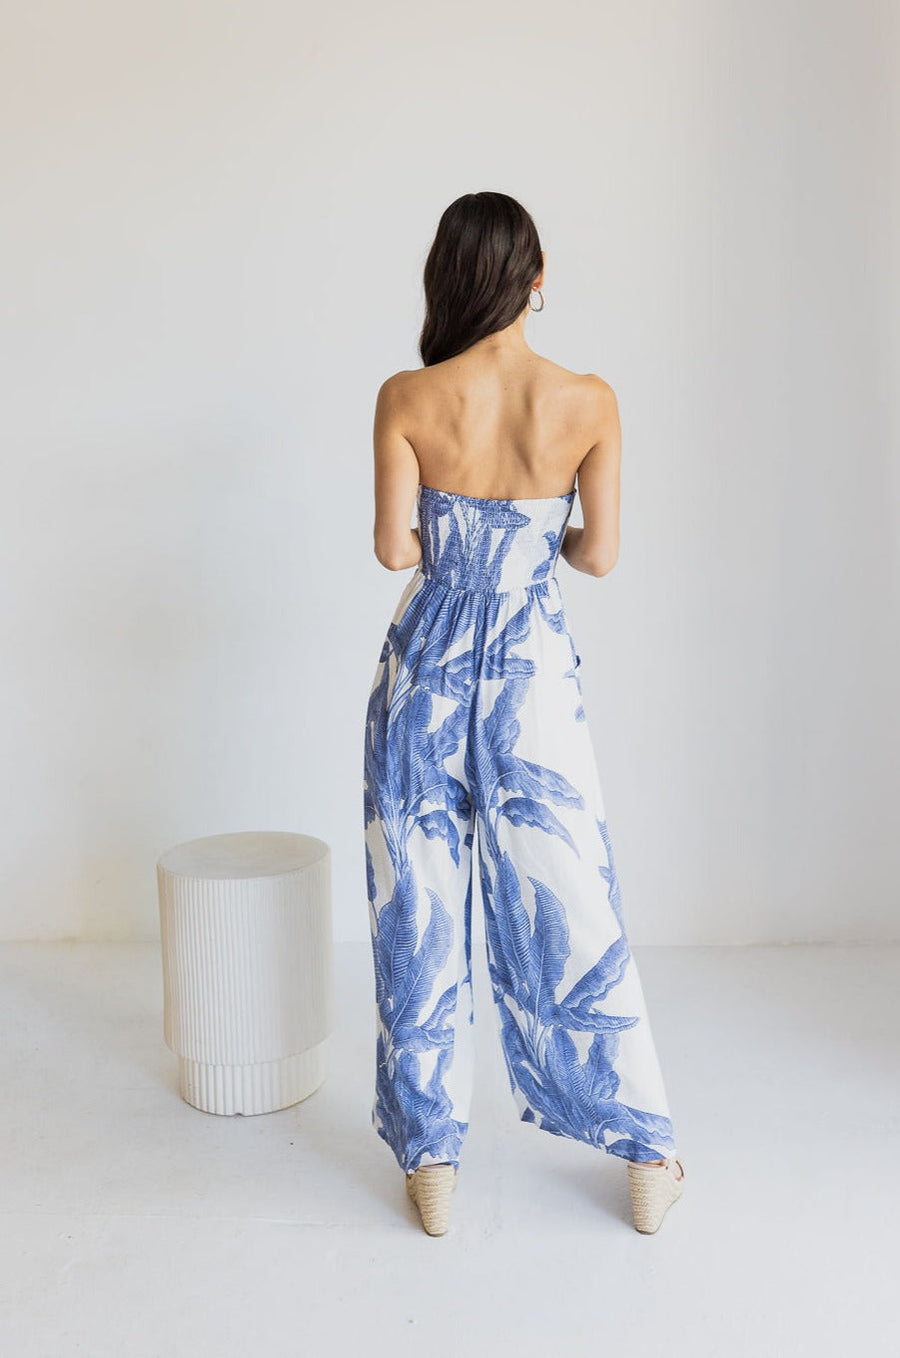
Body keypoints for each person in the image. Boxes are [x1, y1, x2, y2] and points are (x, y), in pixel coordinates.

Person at [362, 191, 685, 1237]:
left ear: (449, 276)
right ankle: (645, 1150)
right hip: (531, 675)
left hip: (425, 670)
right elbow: (600, 555)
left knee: (417, 901)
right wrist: (534, 538)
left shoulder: (408, 395)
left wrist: (460, 540)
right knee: (571, 896)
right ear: (536, 278)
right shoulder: (588, 401)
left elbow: (395, 550)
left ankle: (433, 1161)